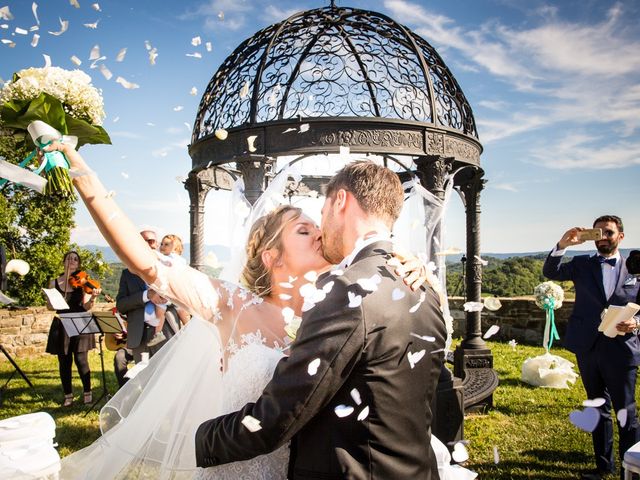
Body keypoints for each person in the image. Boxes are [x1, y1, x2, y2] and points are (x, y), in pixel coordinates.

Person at [49, 143, 472, 479]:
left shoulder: (340, 298)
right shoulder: (232, 304)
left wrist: (405, 259)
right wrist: (82, 174)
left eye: (318, 222)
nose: (320, 231)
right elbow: (144, 261)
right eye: (304, 229)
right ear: (271, 256)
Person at [543, 215, 640, 480]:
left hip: (622, 349)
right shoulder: (581, 264)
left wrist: (636, 323)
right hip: (588, 347)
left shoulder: (635, 267)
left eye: (608, 232)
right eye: (597, 232)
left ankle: (629, 469)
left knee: (626, 411)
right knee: (598, 406)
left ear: (620, 236)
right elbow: (550, 272)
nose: (602, 237)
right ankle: (602, 466)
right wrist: (563, 243)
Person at [45, 251, 100, 407]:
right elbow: (49, 307)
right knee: (64, 361)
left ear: (78, 263)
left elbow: (86, 306)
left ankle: (87, 392)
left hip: (80, 322)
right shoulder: (54, 282)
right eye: (69, 258)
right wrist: (51, 303)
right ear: (64, 261)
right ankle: (68, 395)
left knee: (81, 359)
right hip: (61, 323)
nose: (72, 261)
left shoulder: (83, 282)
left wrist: (94, 297)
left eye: (75, 259)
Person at [116, 230, 170, 362]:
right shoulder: (127, 274)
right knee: (142, 376)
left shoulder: (168, 268)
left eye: (151, 241)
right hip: (138, 335)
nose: (147, 244)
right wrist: (146, 295)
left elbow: (182, 299)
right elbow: (121, 305)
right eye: (143, 241)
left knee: (164, 376)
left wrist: (165, 298)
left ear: (156, 244)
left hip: (164, 332)